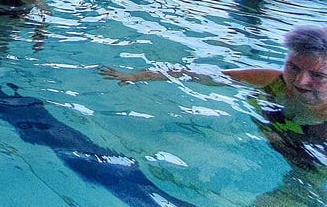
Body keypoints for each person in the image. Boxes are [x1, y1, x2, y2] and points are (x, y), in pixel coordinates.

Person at [99, 26, 327, 202]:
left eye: (317, 75)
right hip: (276, 142)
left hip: (313, 166)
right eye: (293, 68)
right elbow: (201, 75)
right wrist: (138, 76)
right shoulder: (272, 81)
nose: (300, 81)